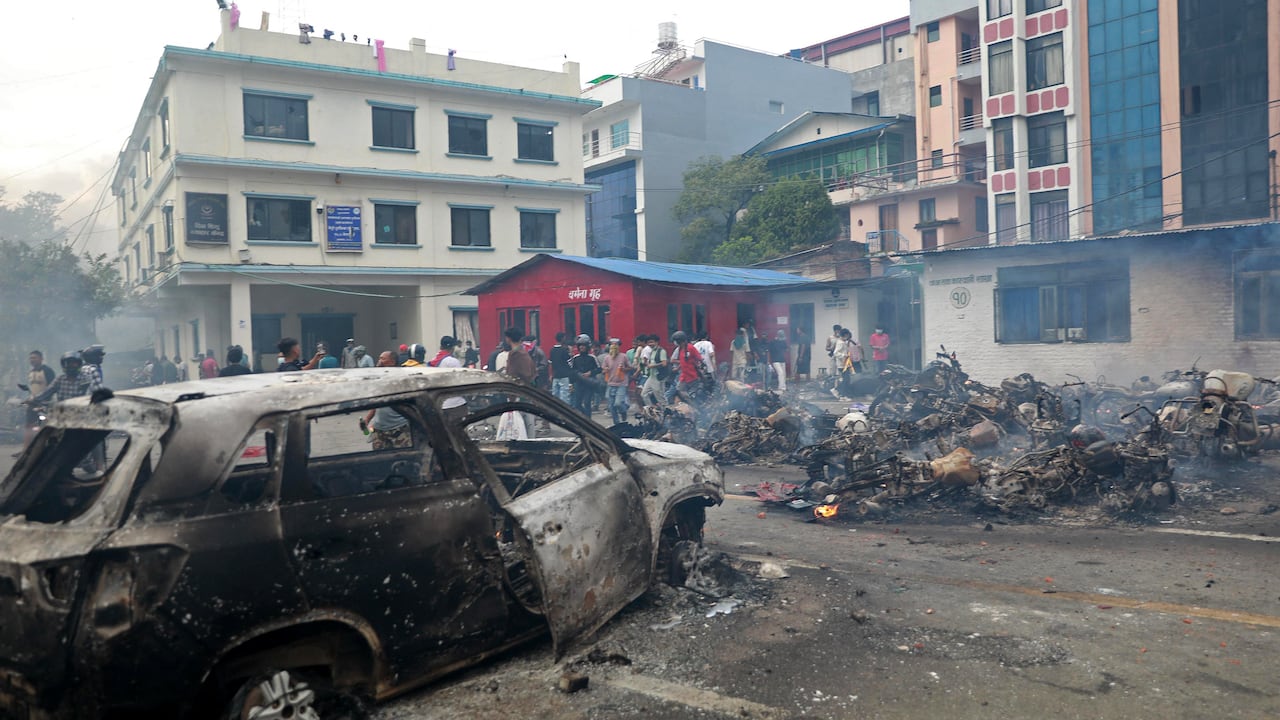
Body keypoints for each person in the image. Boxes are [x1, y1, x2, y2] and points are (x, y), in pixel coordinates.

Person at [361, 351, 412, 450]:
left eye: (382, 359)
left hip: (399, 428)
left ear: (392, 362)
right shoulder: (379, 379)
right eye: (379, 358)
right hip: (379, 429)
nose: (379, 361)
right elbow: (377, 402)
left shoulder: (400, 378)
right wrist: (367, 419)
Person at [17, 350, 55, 450]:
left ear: (41, 359)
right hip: (32, 403)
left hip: (44, 404)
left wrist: (47, 400)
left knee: (43, 427)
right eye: (31, 358)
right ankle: (25, 449)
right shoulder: (30, 372)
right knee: (28, 426)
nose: (32, 360)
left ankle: (41, 449)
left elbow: (53, 387)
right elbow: (32, 388)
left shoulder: (47, 371)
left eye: (34, 358)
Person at [567, 334, 601, 417]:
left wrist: (590, 373)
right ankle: (585, 416)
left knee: (587, 402)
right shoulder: (575, 358)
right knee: (577, 404)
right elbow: (571, 370)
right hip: (578, 383)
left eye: (584, 345)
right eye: (580, 345)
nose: (582, 347)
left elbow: (599, 369)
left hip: (589, 383)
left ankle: (589, 421)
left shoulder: (592, 357)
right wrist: (572, 380)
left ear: (587, 346)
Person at [666, 331, 705, 403]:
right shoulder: (680, 349)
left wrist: (702, 367)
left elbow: (699, 358)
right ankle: (691, 403)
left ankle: (697, 405)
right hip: (684, 375)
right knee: (680, 389)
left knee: (694, 393)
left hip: (693, 375)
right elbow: (683, 361)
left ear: (680, 340)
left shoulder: (690, 347)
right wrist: (677, 368)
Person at [600, 338, 632, 425]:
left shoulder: (624, 356)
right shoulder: (607, 358)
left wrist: (623, 369)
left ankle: (623, 411)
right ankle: (616, 424)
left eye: (616, 345)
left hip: (621, 383)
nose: (614, 347)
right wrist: (605, 369)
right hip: (610, 383)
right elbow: (603, 369)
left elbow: (630, 367)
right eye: (612, 345)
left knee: (618, 403)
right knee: (611, 406)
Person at [639, 334, 668, 406]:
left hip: (658, 377)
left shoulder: (661, 351)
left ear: (657, 342)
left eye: (652, 342)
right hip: (651, 376)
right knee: (644, 394)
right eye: (649, 342)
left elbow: (664, 363)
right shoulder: (652, 351)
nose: (650, 344)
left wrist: (653, 366)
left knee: (659, 396)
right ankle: (652, 411)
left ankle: (665, 412)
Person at [549, 332, 572, 404]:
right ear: (562, 338)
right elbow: (570, 363)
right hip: (564, 375)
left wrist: (551, 375)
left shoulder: (552, 350)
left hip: (555, 375)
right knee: (564, 396)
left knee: (555, 395)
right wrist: (570, 353)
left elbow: (550, 363)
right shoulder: (564, 350)